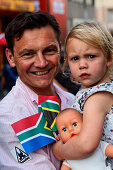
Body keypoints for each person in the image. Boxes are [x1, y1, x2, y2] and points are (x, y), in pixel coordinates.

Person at [0, 11, 75, 169]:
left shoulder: (73, 100)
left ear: (59, 49)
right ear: (10, 57)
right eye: (28, 54)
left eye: (49, 50)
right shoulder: (8, 117)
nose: (41, 63)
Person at [52, 21, 113, 168]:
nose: (82, 64)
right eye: (75, 58)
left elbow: (86, 145)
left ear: (109, 58)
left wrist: (58, 150)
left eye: (91, 56)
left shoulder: (97, 98)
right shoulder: (88, 91)